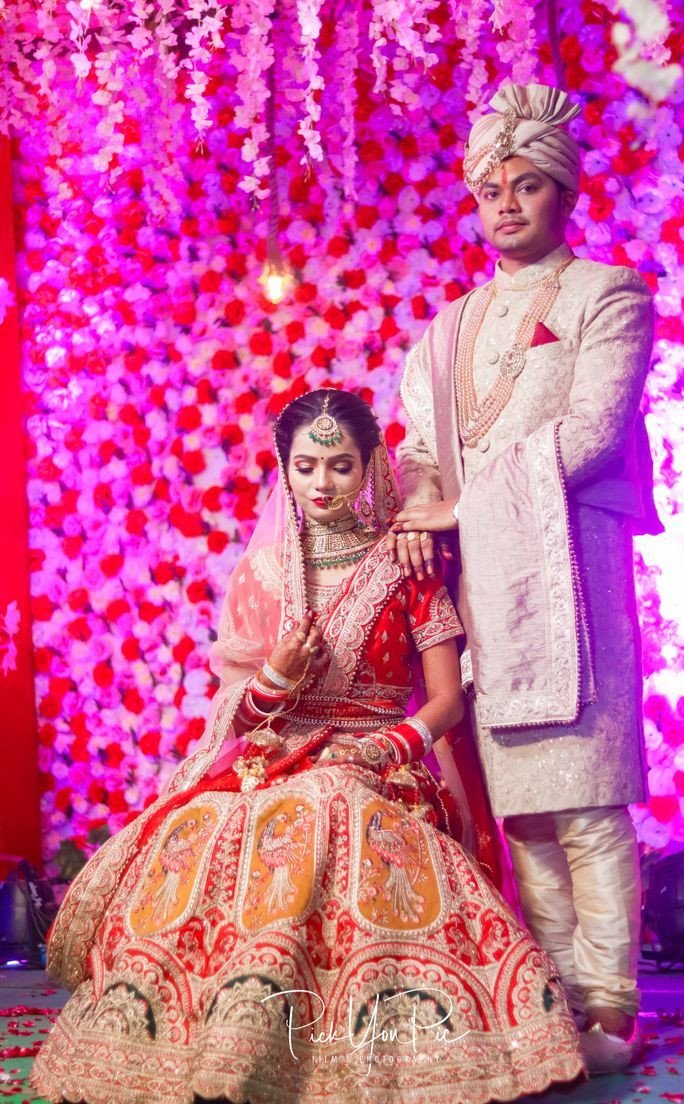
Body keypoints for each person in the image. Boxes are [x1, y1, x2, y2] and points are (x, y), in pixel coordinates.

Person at [33, 389, 583, 1104]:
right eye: (305, 466)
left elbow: (446, 700)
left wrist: (383, 750)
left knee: (329, 807)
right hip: (274, 759)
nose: (322, 483)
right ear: (285, 470)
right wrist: (275, 676)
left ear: (372, 468)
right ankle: (216, 1033)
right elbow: (237, 716)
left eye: (341, 466)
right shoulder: (264, 575)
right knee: (206, 828)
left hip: (377, 762)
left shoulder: (408, 564)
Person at [391, 83, 662, 1075]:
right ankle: (557, 1006)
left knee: (587, 802)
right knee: (527, 816)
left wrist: (459, 505)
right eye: (489, 190)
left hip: (573, 578)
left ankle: (614, 1010)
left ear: (564, 193)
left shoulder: (607, 295)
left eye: (528, 185)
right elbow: (418, 451)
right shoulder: (448, 329)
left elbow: (592, 434)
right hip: (487, 590)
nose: (505, 205)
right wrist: (421, 503)